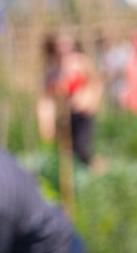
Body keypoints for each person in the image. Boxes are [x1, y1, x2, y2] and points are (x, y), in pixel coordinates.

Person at [43, 31, 100, 165]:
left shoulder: (81, 62)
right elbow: (47, 98)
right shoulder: (54, 69)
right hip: (65, 115)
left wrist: (92, 101)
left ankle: (90, 173)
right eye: (60, 45)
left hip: (82, 112)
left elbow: (96, 83)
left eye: (66, 44)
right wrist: (47, 122)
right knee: (67, 151)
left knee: (82, 149)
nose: (64, 48)